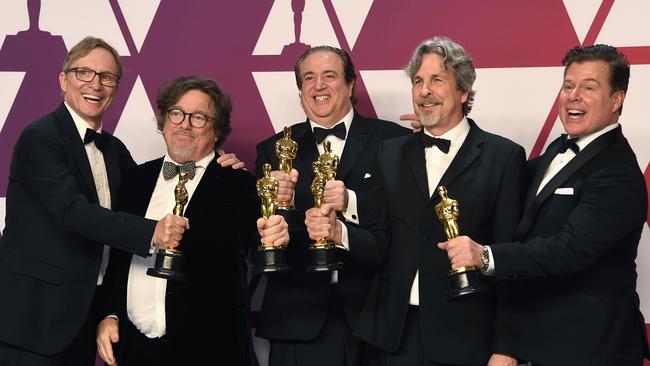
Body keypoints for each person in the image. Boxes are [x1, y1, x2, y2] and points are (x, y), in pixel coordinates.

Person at [440, 44, 650, 366]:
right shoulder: (559, 148)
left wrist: (484, 256)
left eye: (588, 87)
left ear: (617, 100)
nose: (573, 96)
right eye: (568, 85)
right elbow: (502, 176)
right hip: (540, 343)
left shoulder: (618, 173)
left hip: (593, 350)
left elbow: (567, 250)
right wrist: (448, 135)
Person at [0, 36, 190, 366]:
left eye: (106, 77)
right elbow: (71, 211)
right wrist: (152, 233)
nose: (95, 84)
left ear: (116, 88)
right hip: (33, 319)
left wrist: (212, 164)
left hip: (85, 318)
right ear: (63, 80)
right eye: (84, 73)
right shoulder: (39, 137)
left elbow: (149, 190)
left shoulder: (113, 150)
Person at [339, 36, 527, 366]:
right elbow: (378, 240)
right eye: (418, 81)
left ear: (464, 91)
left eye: (437, 80)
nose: (425, 91)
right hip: (391, 337)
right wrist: (338, 232)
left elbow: (510, 260)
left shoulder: (504, 157)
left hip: (465, 337)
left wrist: (507, 346)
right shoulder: (390, 153)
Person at [95, 76, 290, 366]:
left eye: (199, 117)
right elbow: (118, 257)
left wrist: (274, 233)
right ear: (164, 121)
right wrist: (108, 314)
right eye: (176, 113)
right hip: (134, 349)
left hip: (210, 350)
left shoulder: (239, 184)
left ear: (217, 131)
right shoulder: (135, 179)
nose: (184, 124)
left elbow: (256, 247)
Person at [254, 45, 410, 366]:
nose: (318, 86)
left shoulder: (394, 142)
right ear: (300, 91)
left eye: (330, 76)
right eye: (308, 78)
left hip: (375, 318)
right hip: (298, 317)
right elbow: (257, 236)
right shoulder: (273, 149)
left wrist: (350, 206)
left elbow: (404, 227)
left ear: (351, 85)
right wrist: (280, 212)